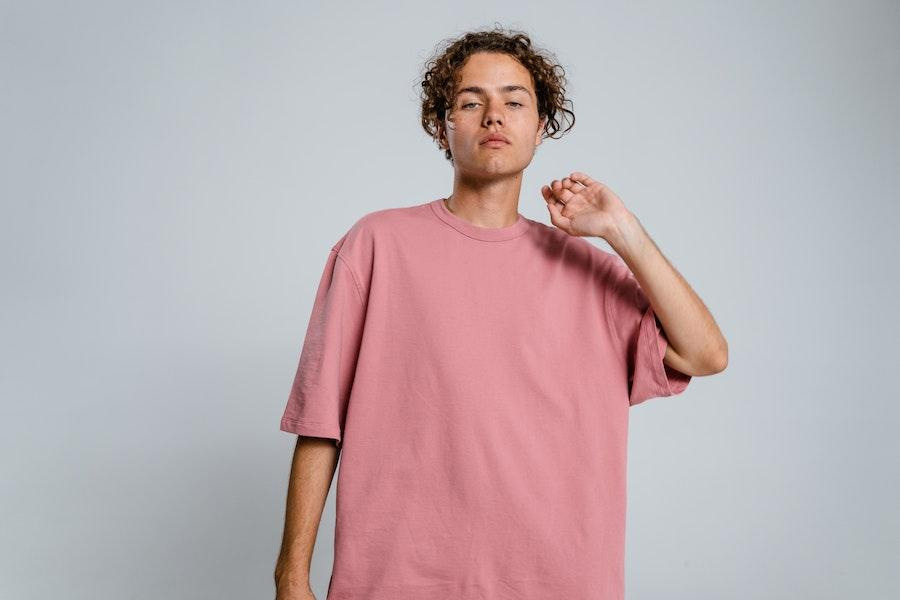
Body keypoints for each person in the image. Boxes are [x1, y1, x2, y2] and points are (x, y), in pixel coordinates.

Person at [274, 25, 728, 600]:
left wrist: (621, 232)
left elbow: (706, 354)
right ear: (443, 125)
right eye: (471, 101)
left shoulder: (587, 270)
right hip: (398, 580)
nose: (494, 116)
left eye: (515, 101)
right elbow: (319, 422)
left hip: (559, 582)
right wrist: (291, 576)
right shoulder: (375, 246)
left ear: (540, 127)